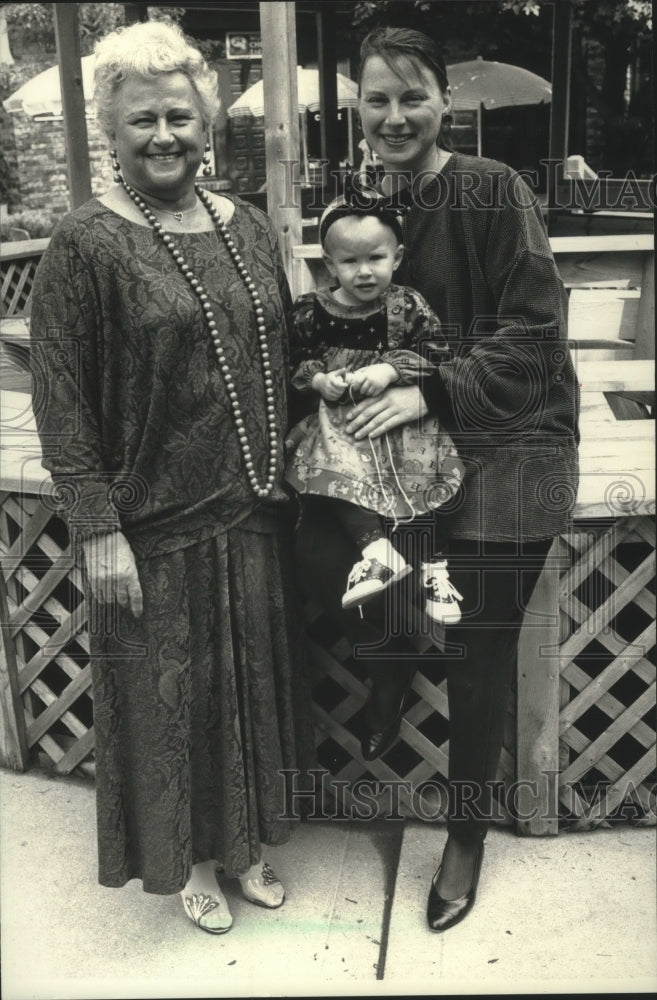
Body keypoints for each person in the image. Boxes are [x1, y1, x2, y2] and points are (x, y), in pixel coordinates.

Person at [29, 20, 314, 936]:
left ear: (208, 127)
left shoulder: (248, 226)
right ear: (111, 132)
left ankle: (246, 848)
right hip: (153, 520)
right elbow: (62, 396)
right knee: (172, 699)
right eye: (143, 119)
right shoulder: (84, 243)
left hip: (257, 508)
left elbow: (280, 348)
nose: (165, 136)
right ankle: (190, 858)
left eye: (180, 119)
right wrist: (98, 525)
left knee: (252, 689)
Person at [295, 26, 579, 932]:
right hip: (406, 443)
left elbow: (534, 341)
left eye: (410, 97)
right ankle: (392, 654)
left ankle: (465, 835)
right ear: (356, 110)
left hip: (512, 436)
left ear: (442, 104)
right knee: (318, 545)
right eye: (374, 100)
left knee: (481, 637)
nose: (392, 116)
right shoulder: (370, 207)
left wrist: (427, 390)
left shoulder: (491, 190)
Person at [285, 183, 465, 620]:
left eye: (376, 258)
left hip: (400, 421)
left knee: (430, 474)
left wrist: (391, 369)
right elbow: (290, 360)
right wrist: (319, 379)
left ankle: (432, 568)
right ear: (329, 263)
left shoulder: (408, 305)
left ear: (397, 258)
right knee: (330, 472)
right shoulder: (311, 310)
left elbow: (439, 353)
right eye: (350, 261)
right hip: (341, 425)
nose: (364, 271)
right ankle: (377, 551)